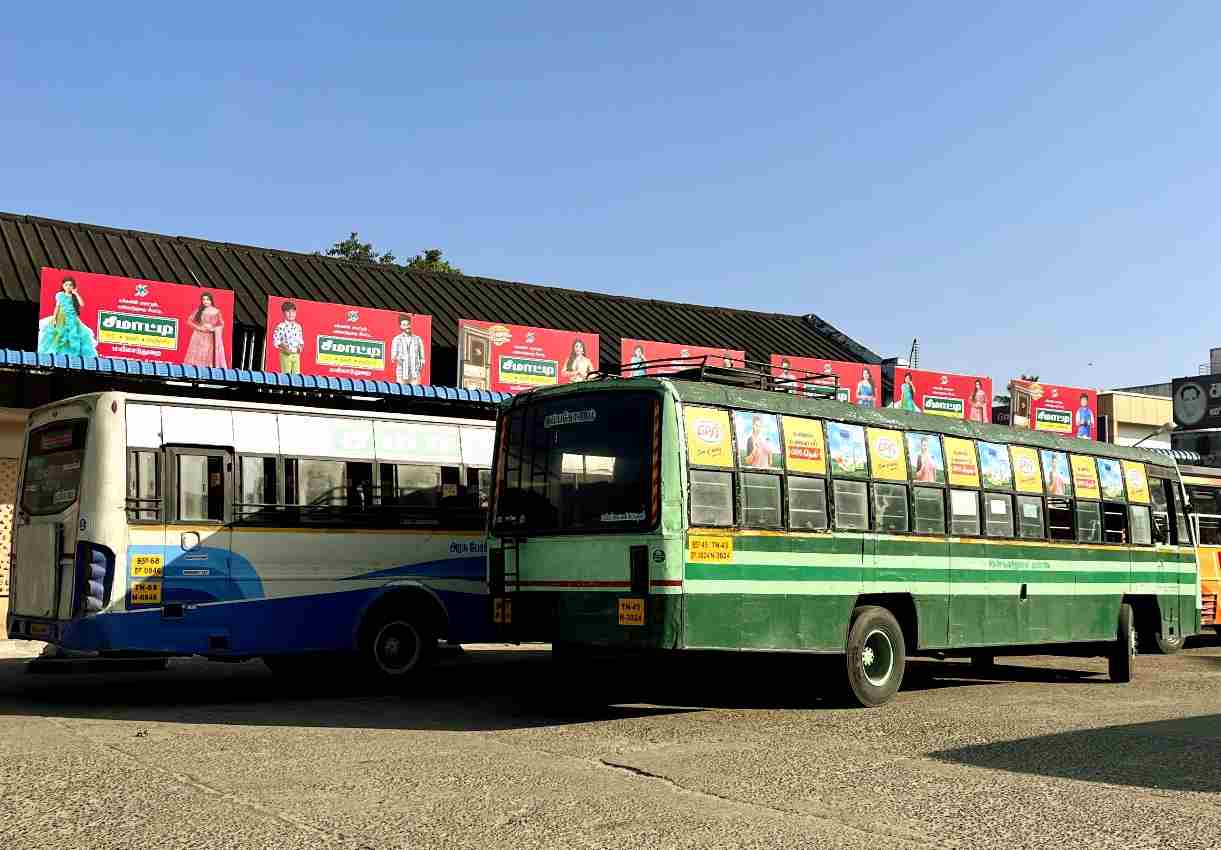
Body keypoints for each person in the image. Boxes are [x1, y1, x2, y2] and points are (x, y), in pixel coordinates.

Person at [37, 277, 98, 357]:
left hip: (72, 318)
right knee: (60, 334)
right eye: (66, 285)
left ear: (73, 287)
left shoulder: (74, 296)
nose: (68, 287)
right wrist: (55, 318)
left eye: (70, 285)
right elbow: (57, 307)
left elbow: (82, 304)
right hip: (61, 317)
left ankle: (71, 354)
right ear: (63, 286)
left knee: (73, 335)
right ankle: (57, 353)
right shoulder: (60, 295)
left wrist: (76, 293)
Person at [183, 292, 228, 368]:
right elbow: (189, 321)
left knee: (207, 353)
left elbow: (222, 323)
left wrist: (214, 329)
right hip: (198, 335)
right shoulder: (199, 310)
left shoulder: (216, 311)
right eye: (203, 299)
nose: (205, 301)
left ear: (211, 300)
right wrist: (199, 328)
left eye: (207, 299)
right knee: (197, 354)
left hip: (210, 336)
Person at [391, 314, 426, 385]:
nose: (407, 326)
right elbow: (393, 357)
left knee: (416, 394)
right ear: (400, 326)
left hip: (415, 375)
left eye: (408, 324)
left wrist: (420, 365)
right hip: (402, 374)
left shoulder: (418, 339)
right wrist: (402, 359)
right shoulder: (397, 339)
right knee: (401, 393)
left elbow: (422, 358)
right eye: (404, 325)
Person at [271, 301, 304, 373]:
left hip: (296, 354)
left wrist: (300, 347)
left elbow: (300, 340)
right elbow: (276, 340)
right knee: (286, 374)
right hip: (285, 354)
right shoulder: (280, 326)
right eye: (288, 312)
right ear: (283, 313)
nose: (291, 314)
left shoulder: (298, 326)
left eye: (293, 312)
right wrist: (284, 347)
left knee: (296, 375)